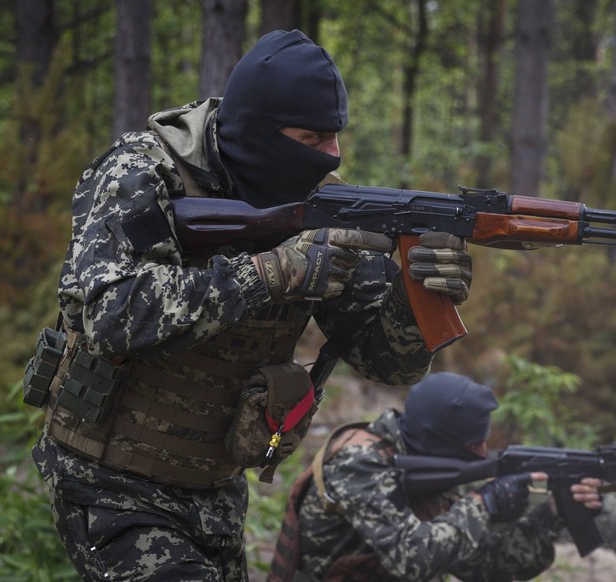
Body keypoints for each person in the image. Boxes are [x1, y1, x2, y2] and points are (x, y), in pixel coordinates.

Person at [27, 29, 473, 581]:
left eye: (334, 137)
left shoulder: (325, 203)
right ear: (260, 132)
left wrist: (421, 292)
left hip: (215, 493)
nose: (331, 155)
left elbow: (389, 364)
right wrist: (270, 273)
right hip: (108, 482)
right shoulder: (142, 175)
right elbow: (109, 315)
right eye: (311, 137)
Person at [269, 372, 603, 582]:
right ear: (436, 439)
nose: (481, 452)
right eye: (474, 443)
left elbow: (490, 566)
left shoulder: (426, 469)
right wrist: (483, 503)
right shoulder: (359, 462)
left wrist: (552, 515)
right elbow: (411, 559)